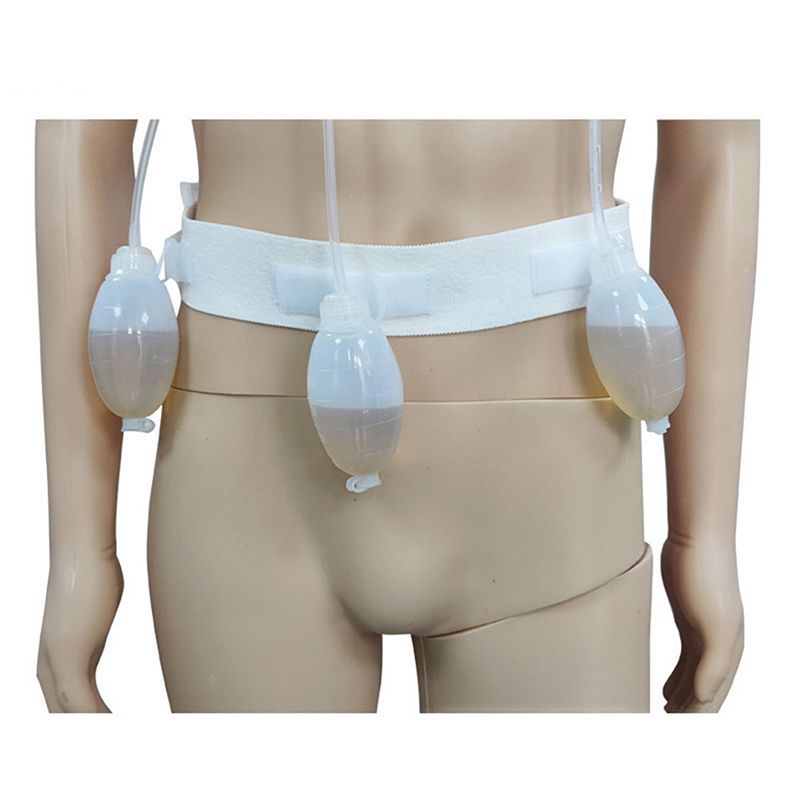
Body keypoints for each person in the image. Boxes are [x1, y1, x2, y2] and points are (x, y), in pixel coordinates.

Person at [35, 120, 758, 712]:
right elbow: (80, 127)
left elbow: (715, 139)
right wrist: (78, 553)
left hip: (549, 456)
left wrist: (704, 535)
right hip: (249, 460)